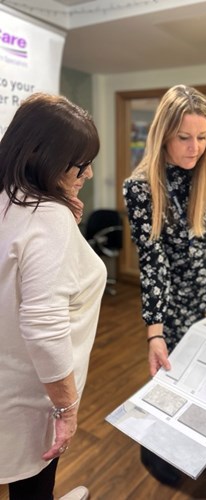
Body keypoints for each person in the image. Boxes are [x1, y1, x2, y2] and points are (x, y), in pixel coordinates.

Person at [123, 84, 206, 485]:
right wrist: (155, 333)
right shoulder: (142, 188)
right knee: (174, 386)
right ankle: (162, 462)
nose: (195, 147)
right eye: (184, 137)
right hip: (176, 304)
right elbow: (153, 265)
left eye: (202, 137)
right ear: (164, 133)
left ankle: (201, 450)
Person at [0, 93, 107, 500]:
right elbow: (44, 328)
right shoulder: (49, 219)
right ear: (46, 159)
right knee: (32, 488)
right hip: (31, 394)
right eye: (81, 164)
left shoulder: (9, 199)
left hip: (6, 379)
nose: (89, 174)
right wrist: (66, 408)